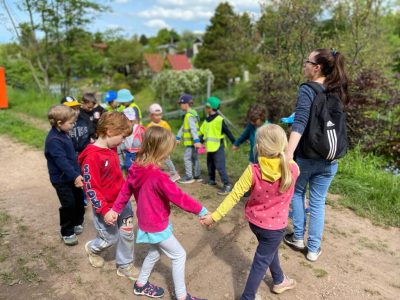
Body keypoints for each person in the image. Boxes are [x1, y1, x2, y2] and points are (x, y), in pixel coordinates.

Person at [201, 124, 299, 300]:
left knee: (268, 250)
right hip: (275, 228)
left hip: (255, 224)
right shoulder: (293, 169)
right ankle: (248, 297)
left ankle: (279, 280)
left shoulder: (252, 171)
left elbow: (234, 196)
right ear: (284, 146)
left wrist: (214, 217)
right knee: (261, 261)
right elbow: (288, 159)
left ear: (258, 147)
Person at [109, 126, 208, 300]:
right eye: (167, 151)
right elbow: (180, 198)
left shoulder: (135, 168)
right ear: (160, 150)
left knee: (154, 252)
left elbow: (125, 192)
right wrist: (202, 211)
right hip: (156, 225)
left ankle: (140, 284)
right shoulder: (158, 177)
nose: (168, 154)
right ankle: (182, 296)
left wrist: (115, 210)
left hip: (148, 222)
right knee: (179, 255)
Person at [283, 48, 349, 262]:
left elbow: (300, 121)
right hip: (330, 160)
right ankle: (313, 249)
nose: (304, 64)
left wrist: (288, 152)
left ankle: (298, 239)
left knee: (298, 193)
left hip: (306, 157)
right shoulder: (336, 90)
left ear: (316, 67)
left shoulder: (308, 90)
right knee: (318, 202)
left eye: (307, 61)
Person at [78, 111, 138, 280]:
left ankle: (125, 265)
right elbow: (91, 188)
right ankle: (93, 248)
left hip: (122, 203)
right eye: (122, 136)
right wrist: (104, 210)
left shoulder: (112, 149)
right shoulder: (92, 157)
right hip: (105, 207)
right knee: (110, 238)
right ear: (110, 131)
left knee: (127, 233)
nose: (124, 140)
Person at [44, 104, 85, 246]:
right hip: (62, 179)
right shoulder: (54, 140)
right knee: (69, 204)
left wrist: (77, 173)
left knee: (80, 200)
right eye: (71, 123)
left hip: (73, 175)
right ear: (59, 123)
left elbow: (71, 156)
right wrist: (75, 176)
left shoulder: (64, 133)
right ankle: (67, 231)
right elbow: (61, 161)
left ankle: (76, 222)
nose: (73, 126)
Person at [200, 96, 235, 195]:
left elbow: (228, 132)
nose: (205, 108)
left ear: (209, 107)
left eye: (206, 106)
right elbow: (203, 133)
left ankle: (227, 185)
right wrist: (199, 141)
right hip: (209, 147)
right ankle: (212, 180)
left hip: (218, 147)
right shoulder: (207, 120)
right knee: (210, 164)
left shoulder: (219, 120)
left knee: (220, 166)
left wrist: (235, 142)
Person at [147, 103, 180, 182]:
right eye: (156, 115)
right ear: (151, 115)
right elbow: (148, 137)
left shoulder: (164, 124)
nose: (159, 117)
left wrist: (174, 140)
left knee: (166, 159)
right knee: (155, 160)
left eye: (160, 115)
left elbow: (170, 134)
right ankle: (155, 173)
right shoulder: (149, 126)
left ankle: (174, 173)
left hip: (164, 146)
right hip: (155, 147)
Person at [176, 94, 202, 184]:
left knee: (187, 158)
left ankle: (189, 176)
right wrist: (178, 137)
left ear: (186, 104)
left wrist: (196, 141)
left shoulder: (189, 115)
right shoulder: (192, 113)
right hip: (194, 141)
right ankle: (197, 176)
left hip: (192, 142)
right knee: (195, 158)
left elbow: (193, 129)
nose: (180, 105)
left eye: (180, 103)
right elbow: (183, 127)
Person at [122, 107, 146, 172]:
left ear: (134, 119)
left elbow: (146, 139)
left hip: (139, 152)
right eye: (127, 121)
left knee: (141, 167)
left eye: (131, 120)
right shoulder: (123, 130)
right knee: (129, 167)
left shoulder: (140, 129)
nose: (130, 122)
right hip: (128, 153)